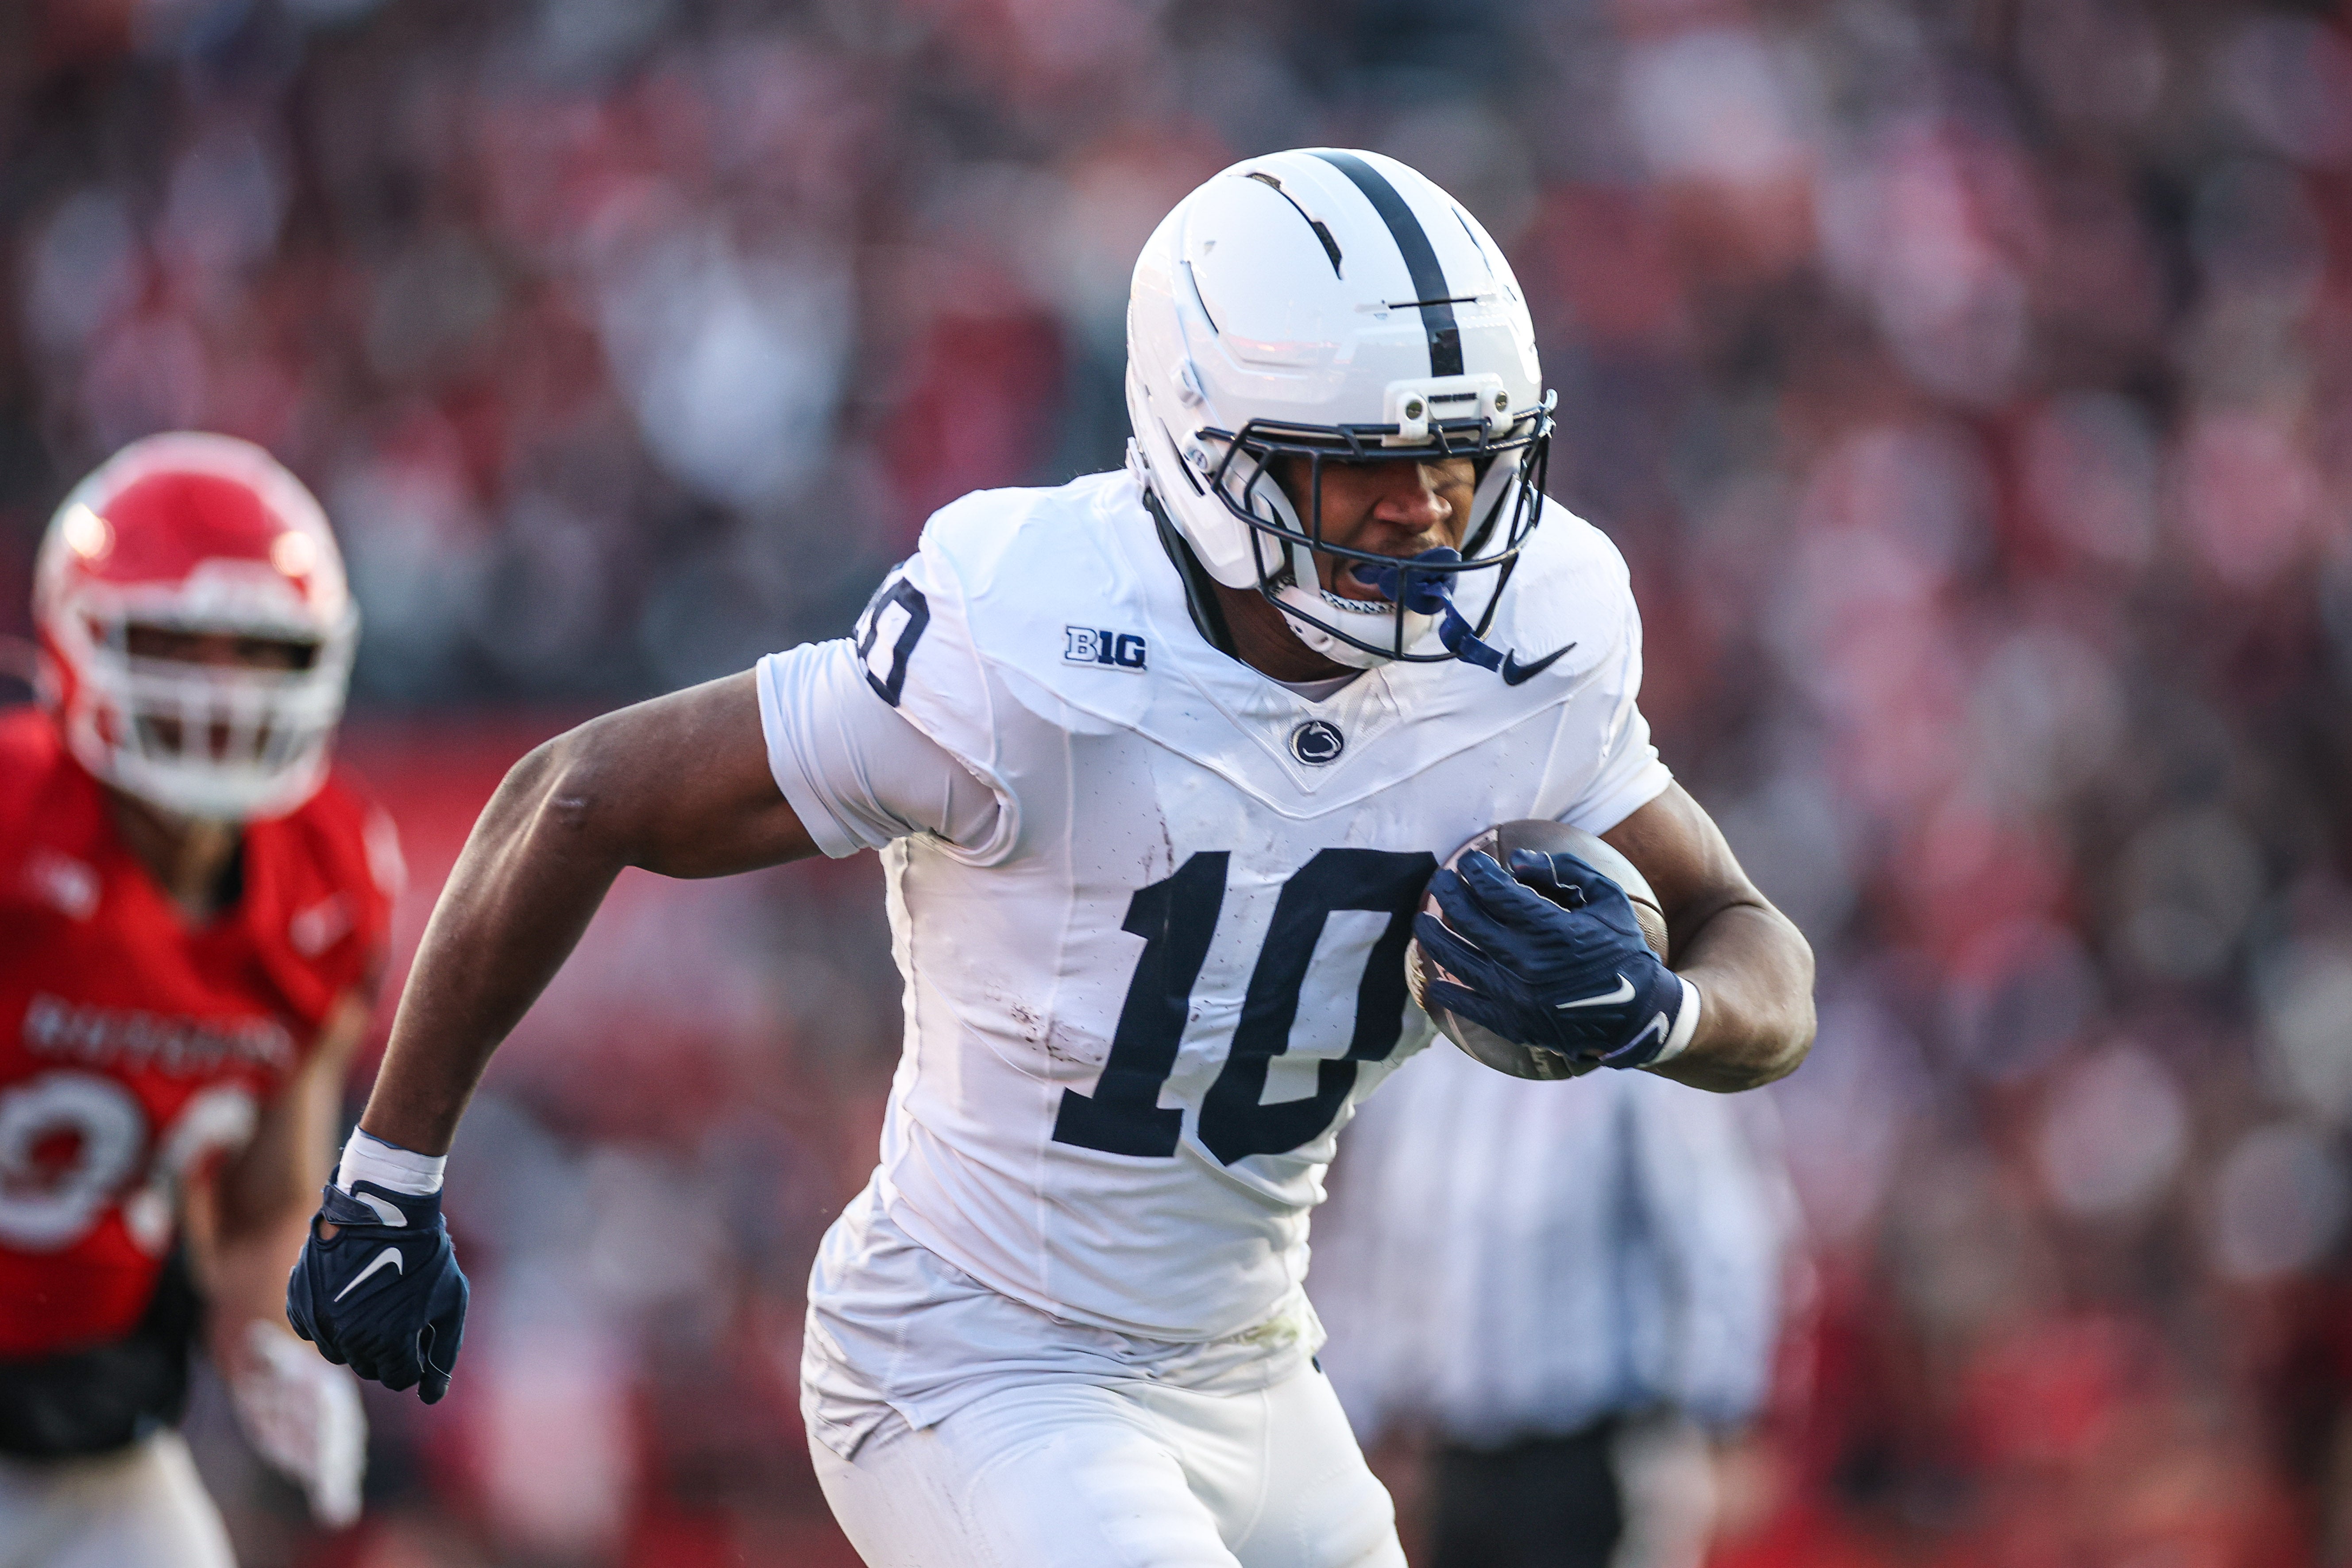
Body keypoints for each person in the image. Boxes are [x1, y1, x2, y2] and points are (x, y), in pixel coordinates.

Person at [290, 148, 1816, 1567]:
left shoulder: (1534, 640)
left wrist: (1658, 1014)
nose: (1427, 514)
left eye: (1466, 462)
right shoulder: (1033, 637)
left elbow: (1750, 940)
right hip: (977, 1351)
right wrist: (387, 1177)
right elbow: (580, 792)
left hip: (1257, 1367)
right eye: (1362, 469)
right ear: (1212, 451)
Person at [0, 433, 391, 1564]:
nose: (220, 687)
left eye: (259, 650)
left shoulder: (330, 883)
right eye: (177, 640)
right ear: (82, 638)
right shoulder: (16, 819)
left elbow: (268, 1203)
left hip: (93, 1432)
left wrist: (276, 1337)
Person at [1311, 1044, 1793, 1568]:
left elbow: (1716, 1232)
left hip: (1592, 1446)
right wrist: (1370, 1412)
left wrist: (1725, 1413)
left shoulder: (1630, 1055)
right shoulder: (1417, 1066)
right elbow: (1376, 1243)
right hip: (1453, 1447)